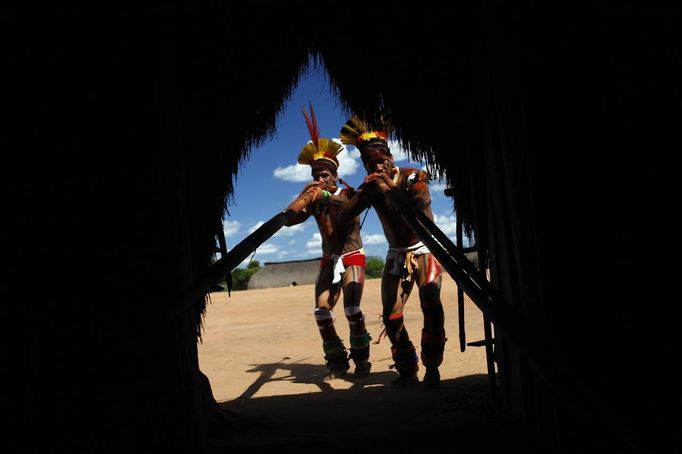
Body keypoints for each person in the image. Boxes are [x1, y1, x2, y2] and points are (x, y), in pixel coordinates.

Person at [338, 116, 445, 388]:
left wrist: (390, 186)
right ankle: (408, 369)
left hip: (424, 248)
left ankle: (432, 368)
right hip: (396, 253)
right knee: (391, 316)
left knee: (431, 303)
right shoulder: (370, 188)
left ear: (390, 157)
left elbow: (416, 211)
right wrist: (364, 193)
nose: (375, 166)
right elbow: (344, 215)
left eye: (380, 159)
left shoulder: (413, 178)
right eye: (369, 162)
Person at [285, 106, 371, 378]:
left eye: (325, 175)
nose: (320, 179)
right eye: (316, 176)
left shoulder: (349, 193)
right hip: (328, 260)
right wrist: (302, 198)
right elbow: (290, 220)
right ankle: (336, 360)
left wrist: (324, 196)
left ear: (335, 176)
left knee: (352, 309)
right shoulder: (315, 200)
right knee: (322, 313)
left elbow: (348, 208)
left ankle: (361, 359)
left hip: (352, 257)